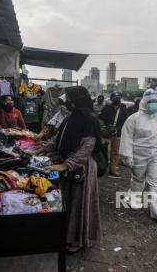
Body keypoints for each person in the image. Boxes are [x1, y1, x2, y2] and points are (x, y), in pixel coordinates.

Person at [44, 86, 101, 253]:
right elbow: (58, 137)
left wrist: (66, 165)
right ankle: (67, 235)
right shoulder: (70, 117)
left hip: (80, 168)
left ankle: (77, 241)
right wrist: (44, 148)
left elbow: (88, 146)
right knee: (67, 202)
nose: (66, 102)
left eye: (68, 98)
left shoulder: (90, 119)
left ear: (76, 101)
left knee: (78, 205)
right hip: (67, 165)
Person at [119, 89, 157, 226]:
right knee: (138, 178)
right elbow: (126, 138)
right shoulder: (134, 119)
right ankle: (134, 198)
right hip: (139, 153)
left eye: (156, 102)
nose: (154, 105)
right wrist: (127, 155)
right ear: (144, 102)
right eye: (151, 102)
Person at [99, 91, 129, 178]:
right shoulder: (107, 107)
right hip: (107, 133)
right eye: (115, 98)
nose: (117, 100)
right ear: (111, 99)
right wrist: (107, 106)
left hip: (118, 133)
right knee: (105, 151)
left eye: (118, 98)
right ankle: (103, 167)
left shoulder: (123, 107)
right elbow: (101, 117)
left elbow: (126, 118)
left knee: (115, 152)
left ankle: (113, 169)